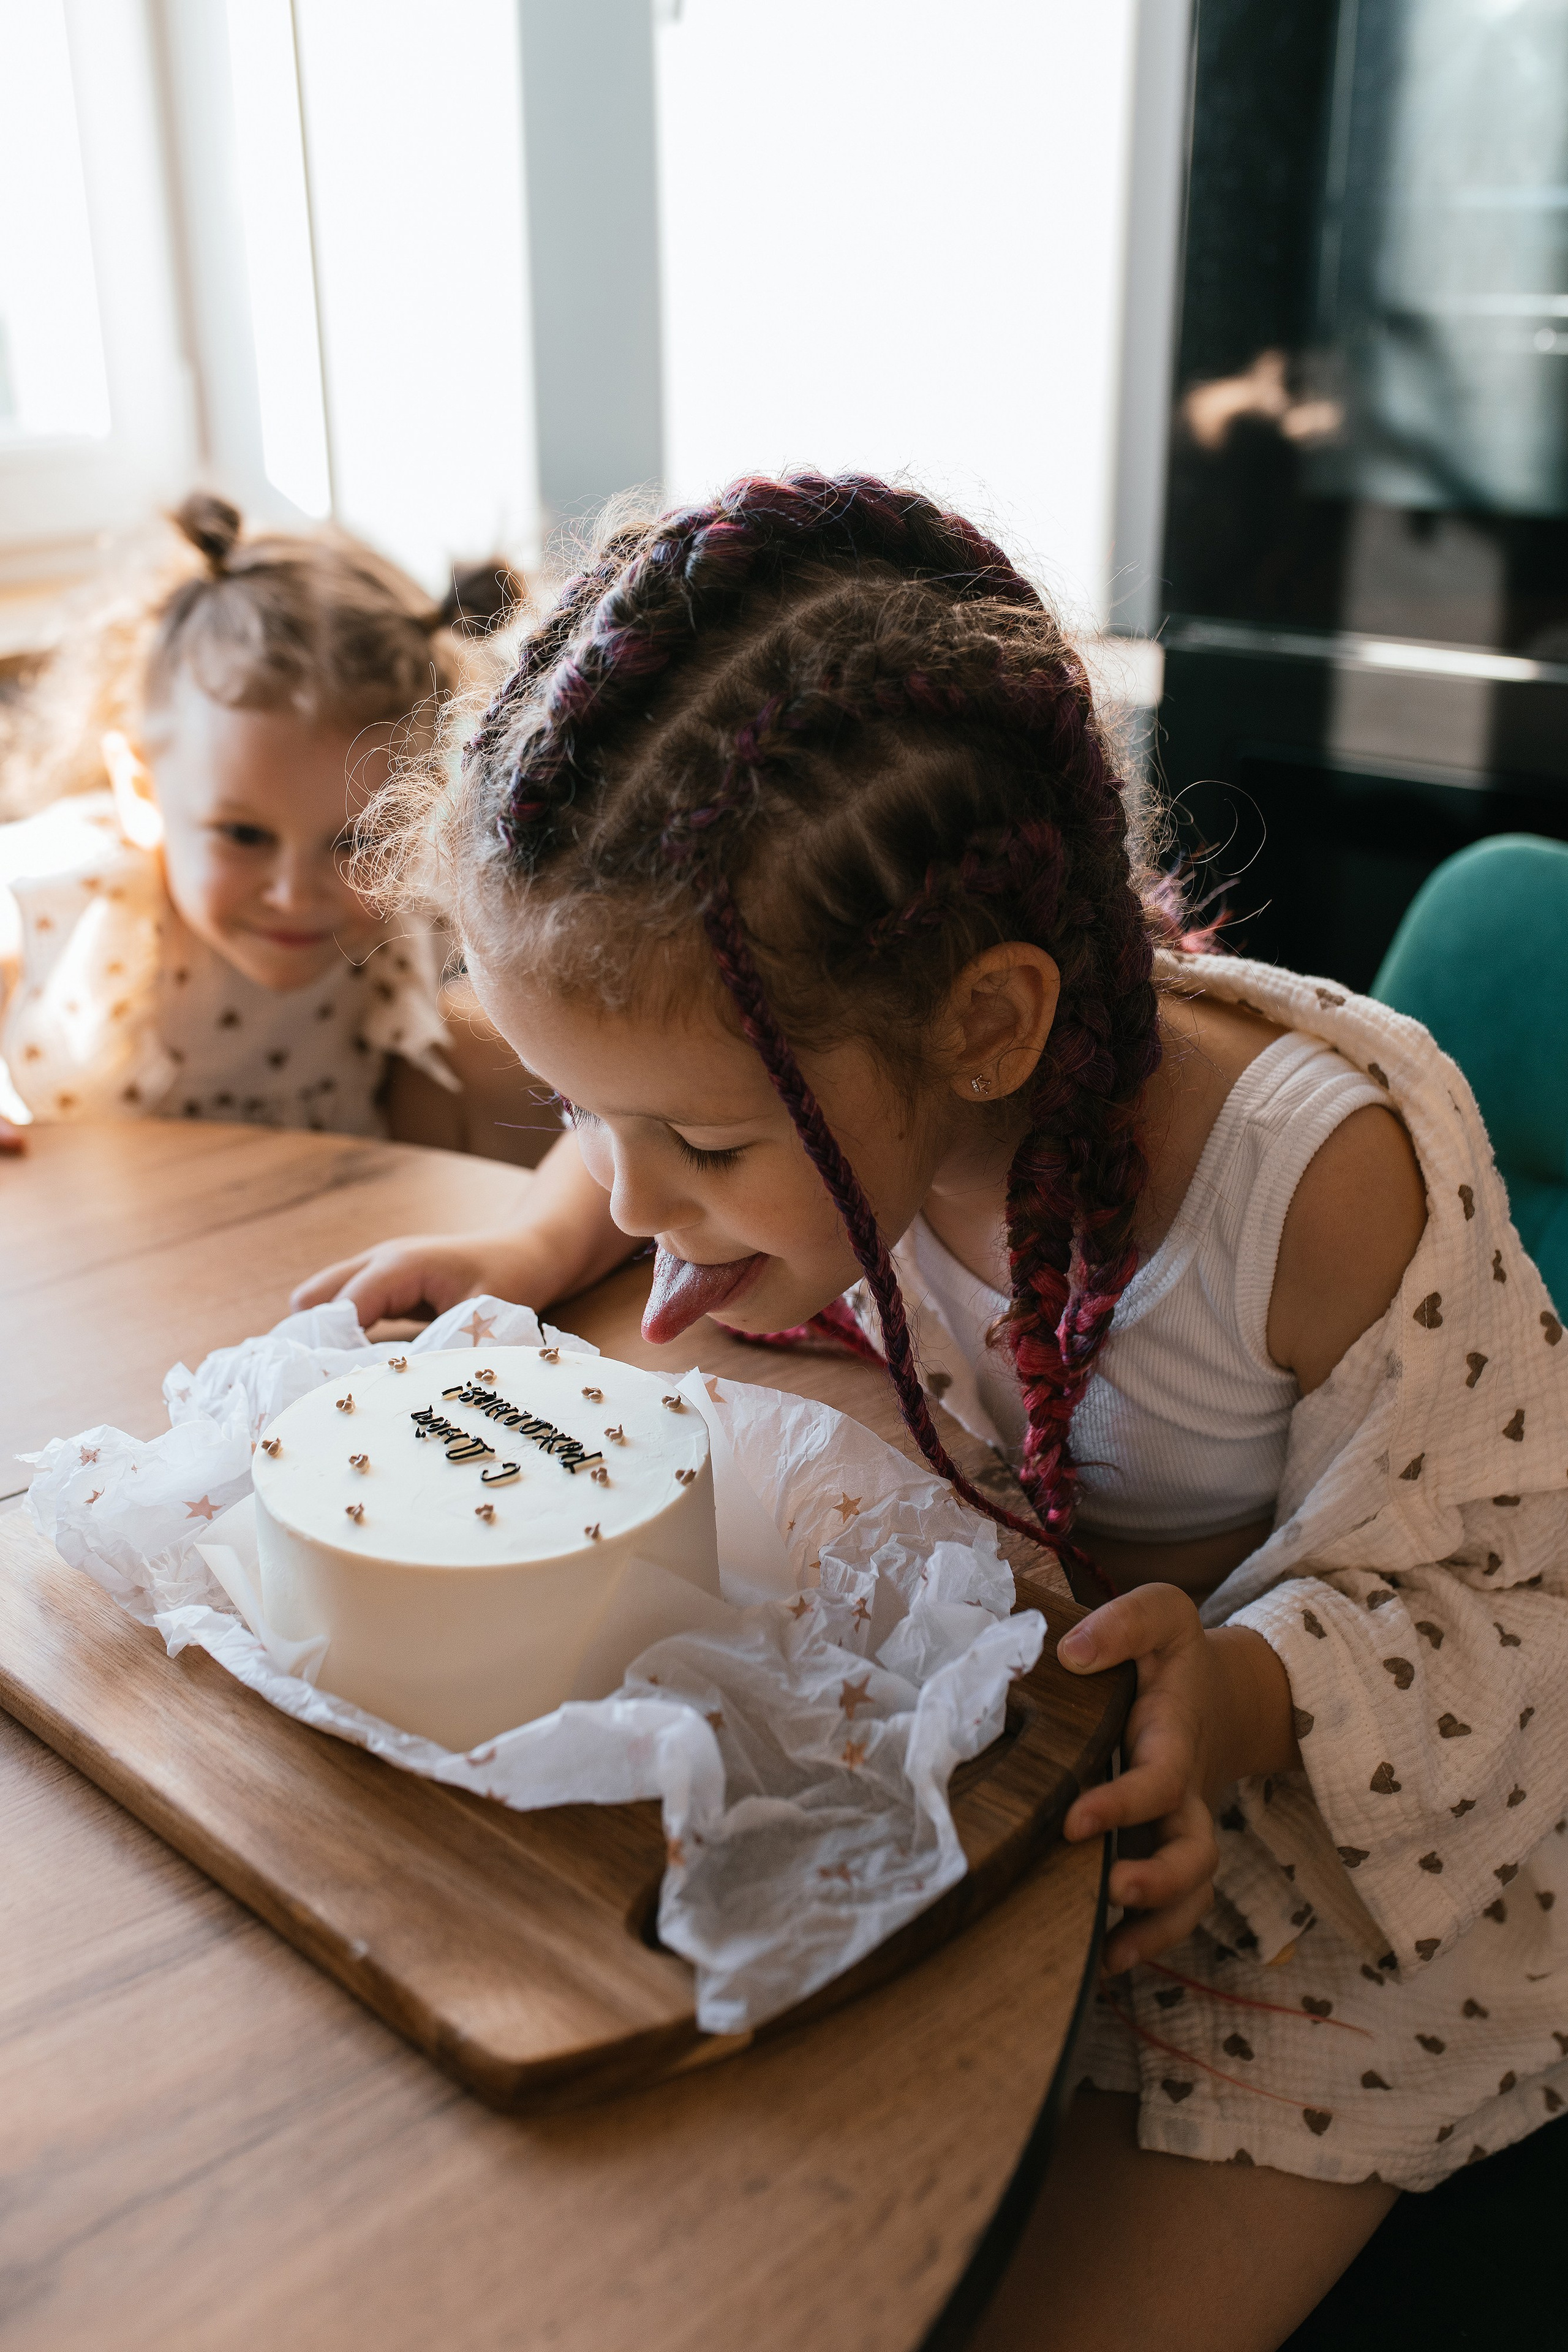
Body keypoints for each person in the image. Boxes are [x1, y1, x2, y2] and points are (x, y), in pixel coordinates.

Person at [292, 473, 1568, 2349]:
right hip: (989, 1808)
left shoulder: (1313, 1184)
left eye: (703, 1143)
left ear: (983, 1025)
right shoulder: (761, 1100)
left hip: (1307, 1889)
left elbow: (1498, 1582)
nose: (640, 1207)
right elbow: (636, 1131)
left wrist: (1233, 1697)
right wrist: (528, 1231)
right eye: (586, 1117)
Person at [0, 492, 540, 1158]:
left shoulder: (395, 934)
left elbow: (422, 1151)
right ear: (142, 790)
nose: (294, 894)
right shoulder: (78, 897)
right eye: (244, 836)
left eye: (356, 842)